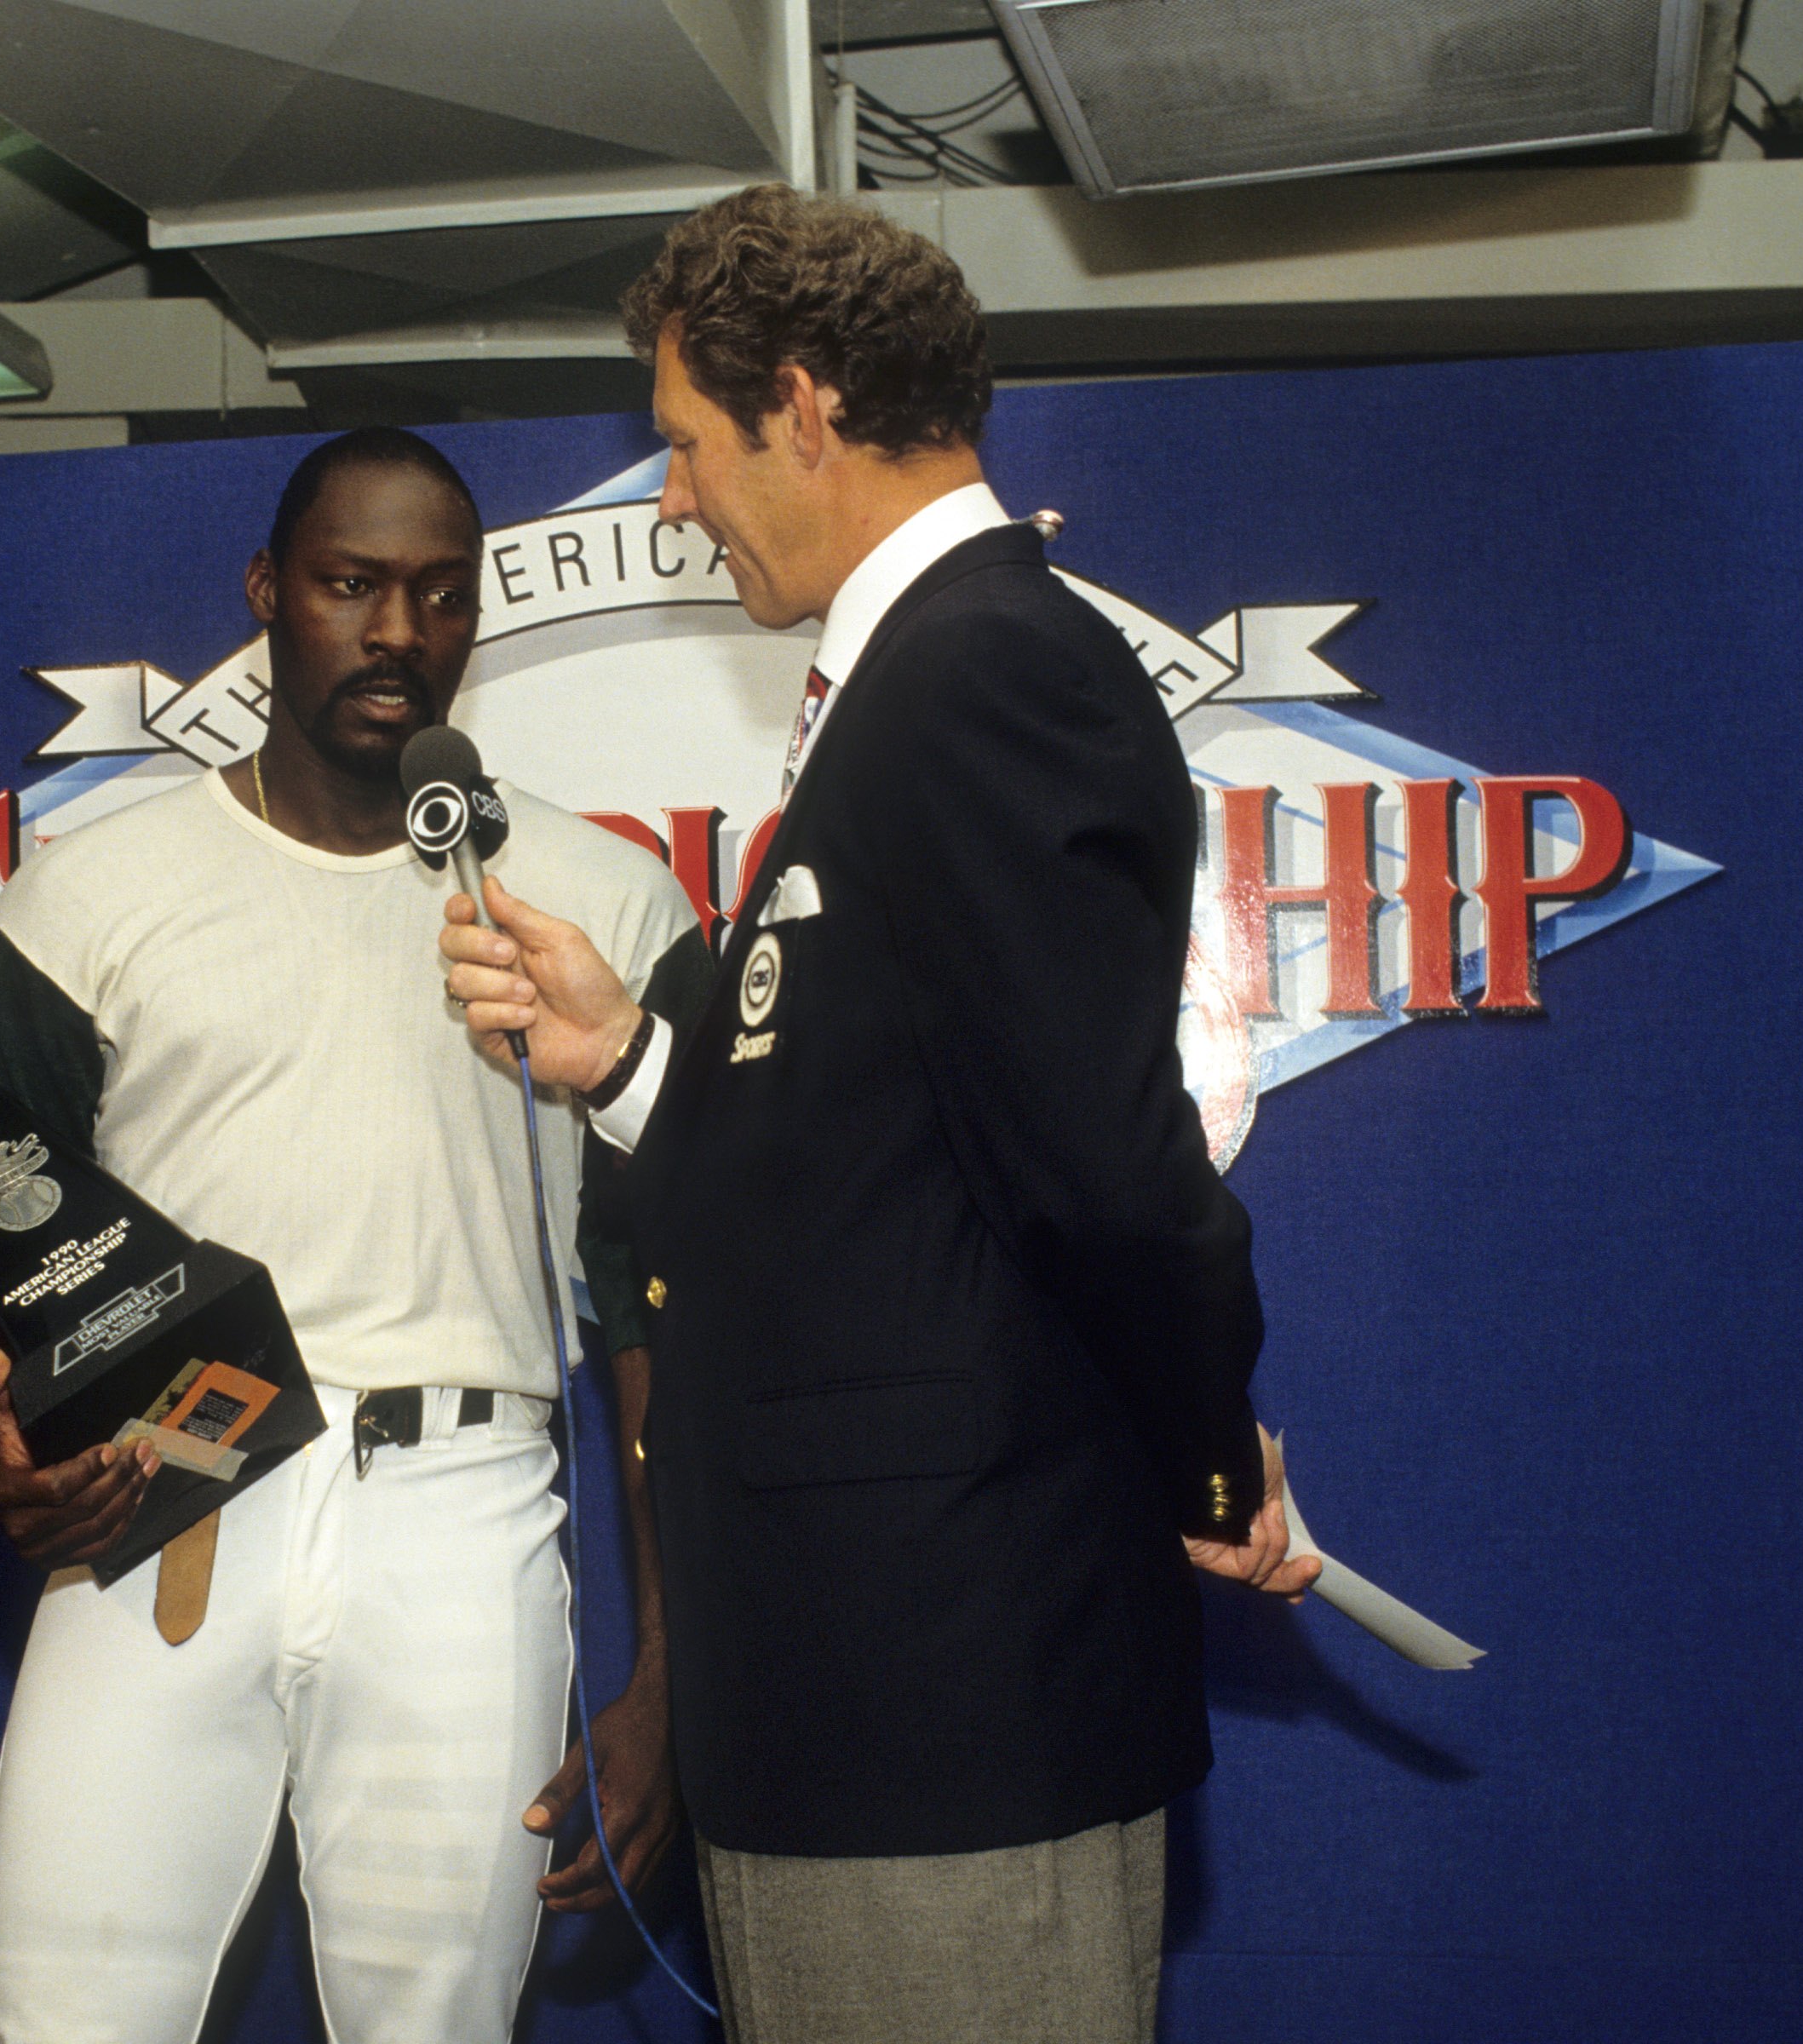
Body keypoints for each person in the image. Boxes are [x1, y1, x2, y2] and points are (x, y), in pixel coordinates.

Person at [436, 187, 1319, 2044]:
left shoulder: (995, 671)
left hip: (951, 1693)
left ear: (808, 407)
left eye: (684, 442)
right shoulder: (905, 689)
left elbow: (1100, 1169)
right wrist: (632, 1065)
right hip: (847, 1698)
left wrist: (1213, 1456)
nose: (671, 494)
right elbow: (868, 1171)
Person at [0, 427, 712, 2041]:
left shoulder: (601, 903)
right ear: (270, 595)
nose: (398, 632)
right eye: (353, 585)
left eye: (438, 594)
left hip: (463, 1510)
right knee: (66, 2019)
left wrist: (667, 1677)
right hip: (172, 1494)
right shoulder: (88, 900)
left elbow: (660, 1317)